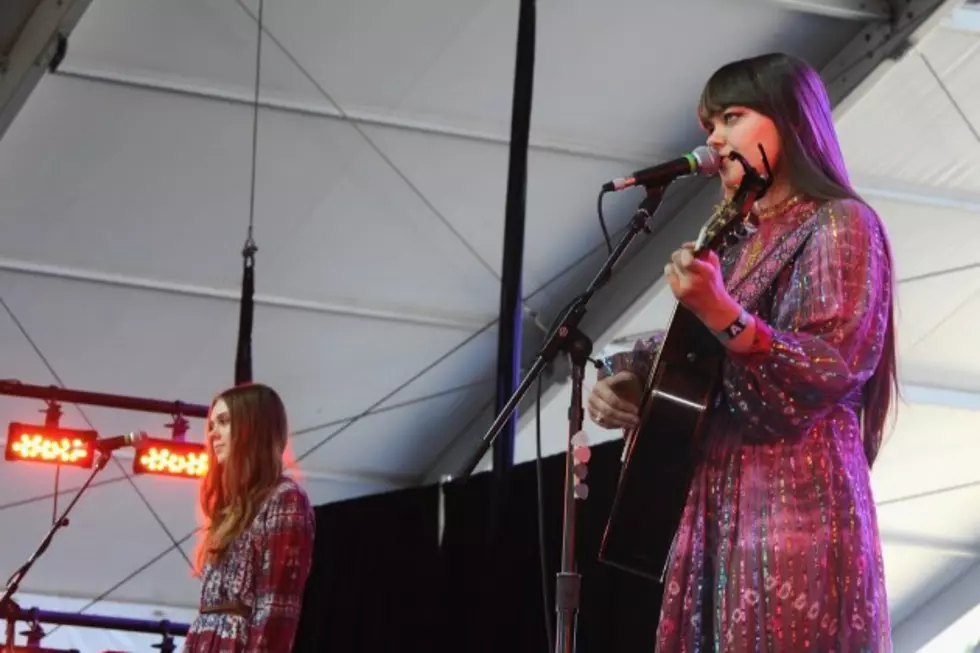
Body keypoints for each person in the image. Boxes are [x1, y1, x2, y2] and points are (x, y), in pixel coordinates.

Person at [588, 53, 896, 652]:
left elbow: (827, 367)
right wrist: (623, 379)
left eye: (731, 115)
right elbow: (682, 355)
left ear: (792, 121)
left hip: (796, 511)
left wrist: (721, 311)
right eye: (709, 124)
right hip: (713, 511)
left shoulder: (842, 223)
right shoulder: (735, 240)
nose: (714, 138)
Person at [183, 383, 316, 653]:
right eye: (211, 425)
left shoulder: (285, 499)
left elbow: (277, 608)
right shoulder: (229, 507)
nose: (212, 434)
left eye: (224, 422)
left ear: (252, 428)